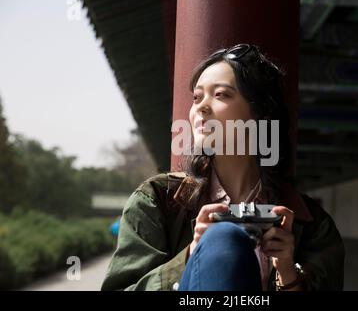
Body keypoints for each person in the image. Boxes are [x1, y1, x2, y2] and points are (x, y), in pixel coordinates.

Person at [101, 44, 345, 291]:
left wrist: (288, 273)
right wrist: (191, 255)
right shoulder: (157, 201)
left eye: (220, 95)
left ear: (261, 113)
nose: (201, 108)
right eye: (197, 97)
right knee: (223, 238)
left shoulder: (311, 222)